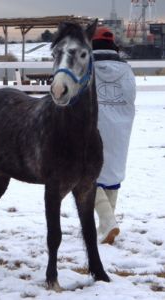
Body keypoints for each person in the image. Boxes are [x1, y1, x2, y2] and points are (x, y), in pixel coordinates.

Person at [92, 26, 136, 244]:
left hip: (94, 125)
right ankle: (105, 227)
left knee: (89, 176)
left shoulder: (88, 67)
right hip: (121, 126)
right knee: (112, 175)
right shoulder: (126, 69)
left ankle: (108, 222)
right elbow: (130, 97)